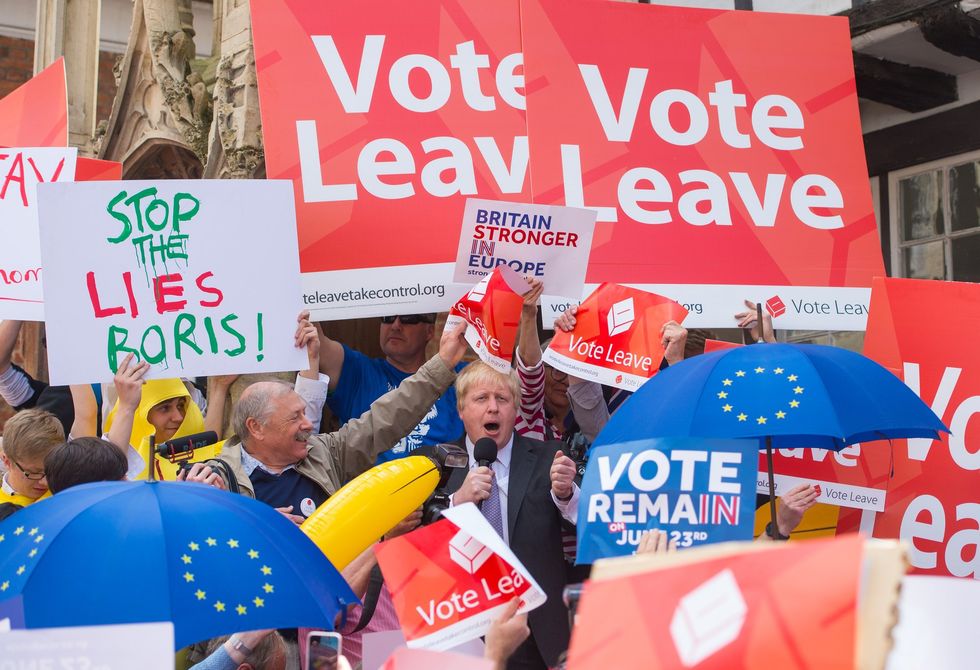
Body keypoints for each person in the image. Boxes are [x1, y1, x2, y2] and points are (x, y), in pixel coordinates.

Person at [210, 321, 468, 518]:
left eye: (304, 413)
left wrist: (442, 364)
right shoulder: (218, 480)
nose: (308, 424)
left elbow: (387, 417)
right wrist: (265, 525)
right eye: (294, 418)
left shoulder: (325, 453)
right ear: (256, 428)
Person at [449, 360, 579, 670]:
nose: (492, 408)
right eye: (481, 399)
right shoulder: (435, 465)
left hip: (537, 631)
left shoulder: (550, 456)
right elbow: (418, 543)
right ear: (461, 409)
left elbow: (583, 520)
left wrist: (566, 493)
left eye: (502, 399)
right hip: (461, 626)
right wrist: (458, 502)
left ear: (516, 409)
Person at [318, 313, 465, 463]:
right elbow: (316, 343)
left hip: (443, 484)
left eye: (408, 318)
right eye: (387, 318)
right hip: (373, 485)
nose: (395, 326)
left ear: (429, 331)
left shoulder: (459, 377)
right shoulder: (358, 372)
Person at [0, 408, 65, 505]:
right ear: (7, 461)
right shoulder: (3, 512)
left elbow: (86, 415)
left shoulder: (68, 480)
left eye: (52, 469)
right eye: (34, 473)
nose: (46, 482)